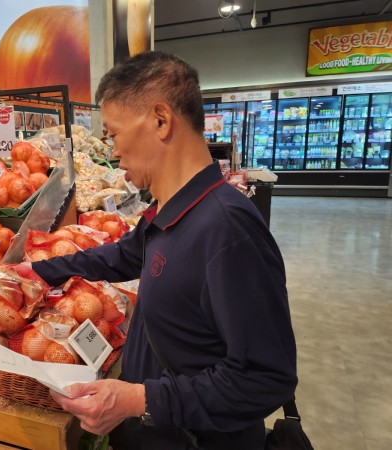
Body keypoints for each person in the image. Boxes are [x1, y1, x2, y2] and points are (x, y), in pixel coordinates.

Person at [30, 51, 297, 450]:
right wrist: (38, 272)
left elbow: (265, 378)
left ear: (160, 119)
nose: (114, 152)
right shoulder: (170, 208)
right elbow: (123, 255)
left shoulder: (227, 230)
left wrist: (139, 399)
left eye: (114, 134)